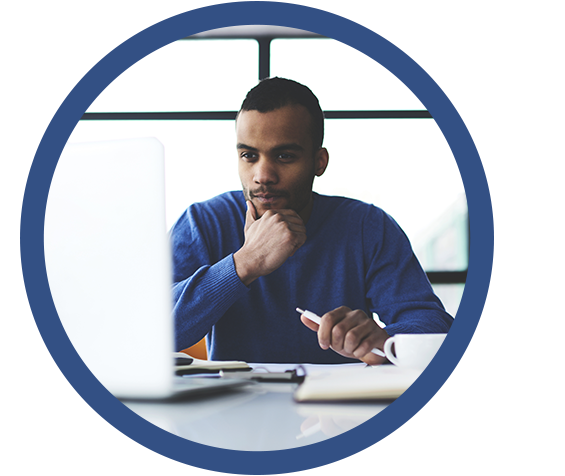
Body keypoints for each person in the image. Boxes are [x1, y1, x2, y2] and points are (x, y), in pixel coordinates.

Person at [171, 77, 452, 364]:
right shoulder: (202, 222)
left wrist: (387, 342)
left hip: (344, 406)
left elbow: (432, 325)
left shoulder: (368, 226)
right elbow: (146, 331)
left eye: (284, 156)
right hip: (231, 405)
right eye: (249, 155)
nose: (262, 175)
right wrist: (245, 262)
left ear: (319, 162)